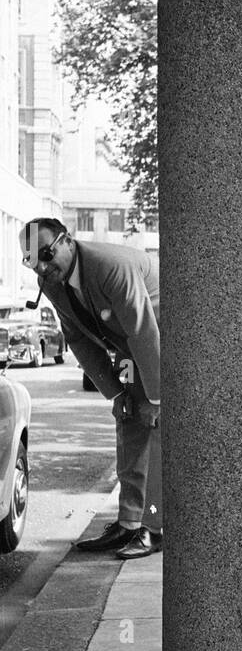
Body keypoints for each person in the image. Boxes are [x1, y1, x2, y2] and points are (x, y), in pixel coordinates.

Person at [19, 219, 162, 560]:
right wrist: (116, 393)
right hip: (130, 343)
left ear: (66, 241)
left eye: (46, 253)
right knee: (128, 418)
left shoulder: (111, 266)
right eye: (31, 260)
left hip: (162, 335)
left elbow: (144, 332)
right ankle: (128, 524)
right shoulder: (50, 281)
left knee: (155, 423)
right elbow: (79, 339)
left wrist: (156, 398)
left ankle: (155, 527)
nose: (41, 265)